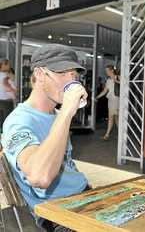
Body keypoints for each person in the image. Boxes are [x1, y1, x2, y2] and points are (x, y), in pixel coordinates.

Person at [1, 44, 89, 232]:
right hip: (57, 212)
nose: (70, 81)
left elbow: (67, 165)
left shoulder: (56, 115)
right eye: (63, 73)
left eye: (73, 75)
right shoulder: (19, 121)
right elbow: (39, 177)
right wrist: (66, 112)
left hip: (84, 195)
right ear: (40, 75)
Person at [96, 65, 120, 140]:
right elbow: (105, 91)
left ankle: (108, 135)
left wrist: (114, 79)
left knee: (115, 117)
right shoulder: (108, 80)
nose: (106, 72)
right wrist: (97, 97)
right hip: (111, 100)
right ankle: (109, 135)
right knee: (114, 117)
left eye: (107, 71)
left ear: (112, 70)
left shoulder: (118, 77)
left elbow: (123, 85)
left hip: (117, 99)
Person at [0, 58, 16, 130]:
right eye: (8, 64)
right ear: (3, 65)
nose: (10, 66)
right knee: (7, 120)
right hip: (7, 102)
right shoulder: (7, 76)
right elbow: (11, 88)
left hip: (2, 101)